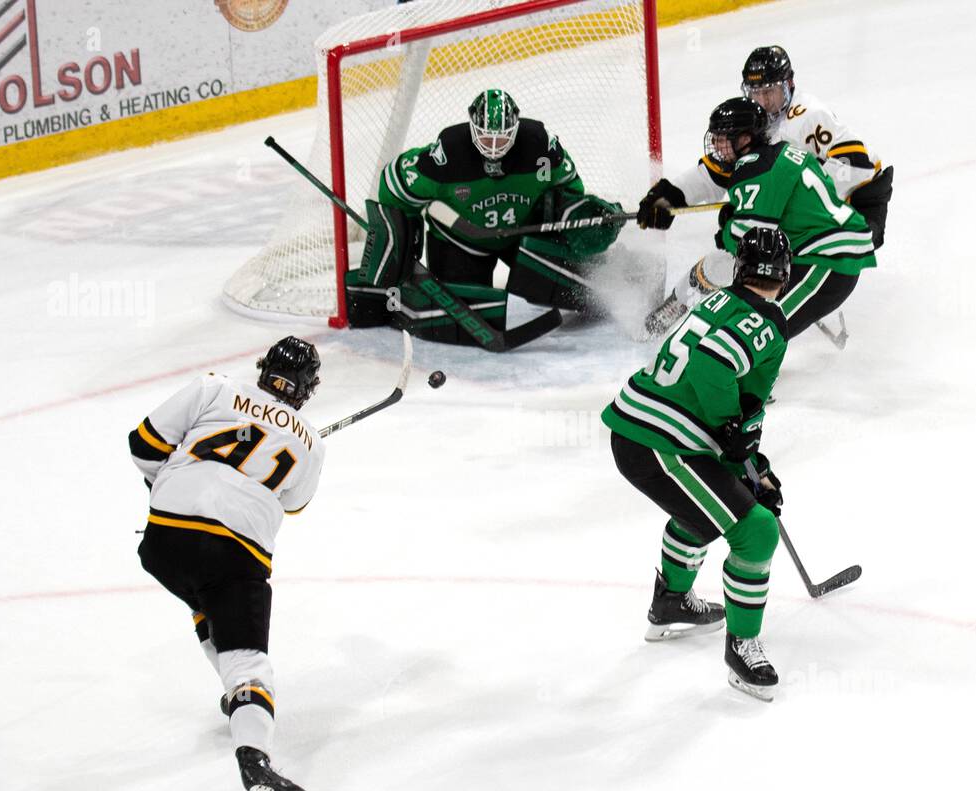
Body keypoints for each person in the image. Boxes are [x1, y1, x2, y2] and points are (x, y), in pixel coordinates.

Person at [128, 336, 326, 791]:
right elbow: (291, 503)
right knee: (248, 661)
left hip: (164, 543)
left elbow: (143, 444)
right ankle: (255, 762)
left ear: (263, 370)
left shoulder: (214, 389)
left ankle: (238, 699)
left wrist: (174, 484)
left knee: (205, 600)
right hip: (234, 554)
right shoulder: (311, 443)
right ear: (305, 389)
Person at [602, 227, 793, 701]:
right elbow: (715, 367)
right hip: (662, 440)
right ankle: (741, 648)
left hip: (639, 429)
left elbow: (734, 411)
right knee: (756, 530)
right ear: (786, 276)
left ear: (740, 268)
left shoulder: (716, 301)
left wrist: (751, 463)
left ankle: (670, 604)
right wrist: (738, 439)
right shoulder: (768, 322)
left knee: (705, 513)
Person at [345, 88, 625, 343]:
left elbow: (570, 189)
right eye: (486, 136)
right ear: (472, 127)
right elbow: (394, 182)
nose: (493, 145)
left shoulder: (540, 147)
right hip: (460, 243)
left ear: (515, 130)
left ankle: (622, 276)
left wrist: (575, 215)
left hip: (521, 236)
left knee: (586, 291)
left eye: (501, 137)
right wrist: (403, 233)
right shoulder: (448, 154)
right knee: (455, 322)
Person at [638, 97, 876, 341]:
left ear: (744, 139)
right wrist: (669, 195)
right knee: (717, 265)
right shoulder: (774, 152)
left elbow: (750, 241)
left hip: (828, 260)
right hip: (812, 248)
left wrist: (728, 226)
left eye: (722, 139)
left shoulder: (756, 166)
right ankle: (674, 309)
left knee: (752, 335)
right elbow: (709, 178)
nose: (716, 146)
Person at [739, 45, 893, 248]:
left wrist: (801, 202)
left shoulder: (808, 115)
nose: (762, 101)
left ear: (789, 83)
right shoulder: (760, 117)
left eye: (770, 92)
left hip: (862, 196)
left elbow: (856, 163)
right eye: (755, 92)